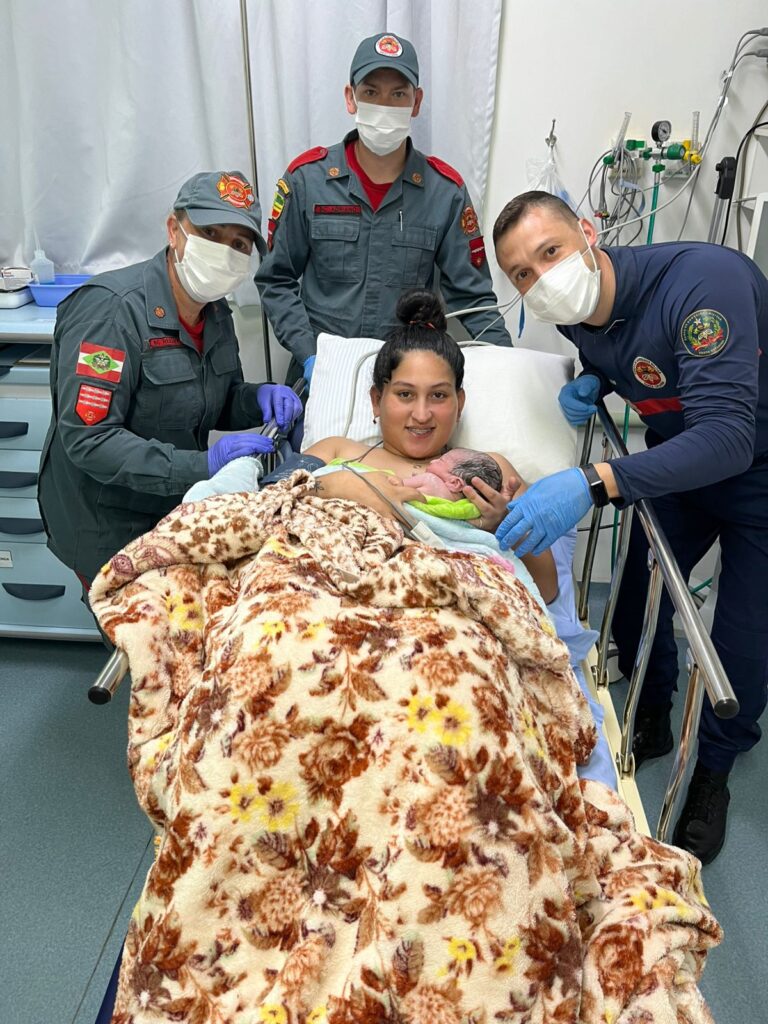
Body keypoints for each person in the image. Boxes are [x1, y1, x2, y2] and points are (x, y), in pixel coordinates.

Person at [491, 189, 768, 864]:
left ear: (589, 233)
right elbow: (632, 359)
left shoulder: (703, 286)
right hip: (680, 466)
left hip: (756, 469)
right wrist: (596, 381)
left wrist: (595, 480)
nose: (542, 279)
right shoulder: (576, 314)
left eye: (550, 252)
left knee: (740, 643)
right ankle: (652, 707)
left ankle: (714, 772)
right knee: (636, 599)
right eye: (522, 273)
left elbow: (728, 436)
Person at [38, 170, 303, 589]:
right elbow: (90, 440)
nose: (224, 252)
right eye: (210, 233)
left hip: (172, 510)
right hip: (108, 523)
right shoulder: (111, 312)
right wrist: (202, 464)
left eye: (239, 244)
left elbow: (214, 401)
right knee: (134, 625)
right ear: (174, 230)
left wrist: (257, 399)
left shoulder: (215, 311)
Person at [255, 31, 512, 391]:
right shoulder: (307, 181)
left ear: (416, 102)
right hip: (321, 370)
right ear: (351, 97)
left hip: (405, 377)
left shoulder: (444, 192)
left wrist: (512, 368)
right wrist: (308, 352)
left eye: (398, 94)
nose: (385, 105)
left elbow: (473, 298)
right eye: (371, 92)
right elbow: (276, 280)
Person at [303, 289, 557, 602]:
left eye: (438, 395)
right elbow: (269, 499)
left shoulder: (491, 473)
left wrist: (503, 528)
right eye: (405, 394)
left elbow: (547, 590)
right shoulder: (336, 451)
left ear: (459, 402)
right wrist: (339, 485)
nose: (422, 414)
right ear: (377, 400)